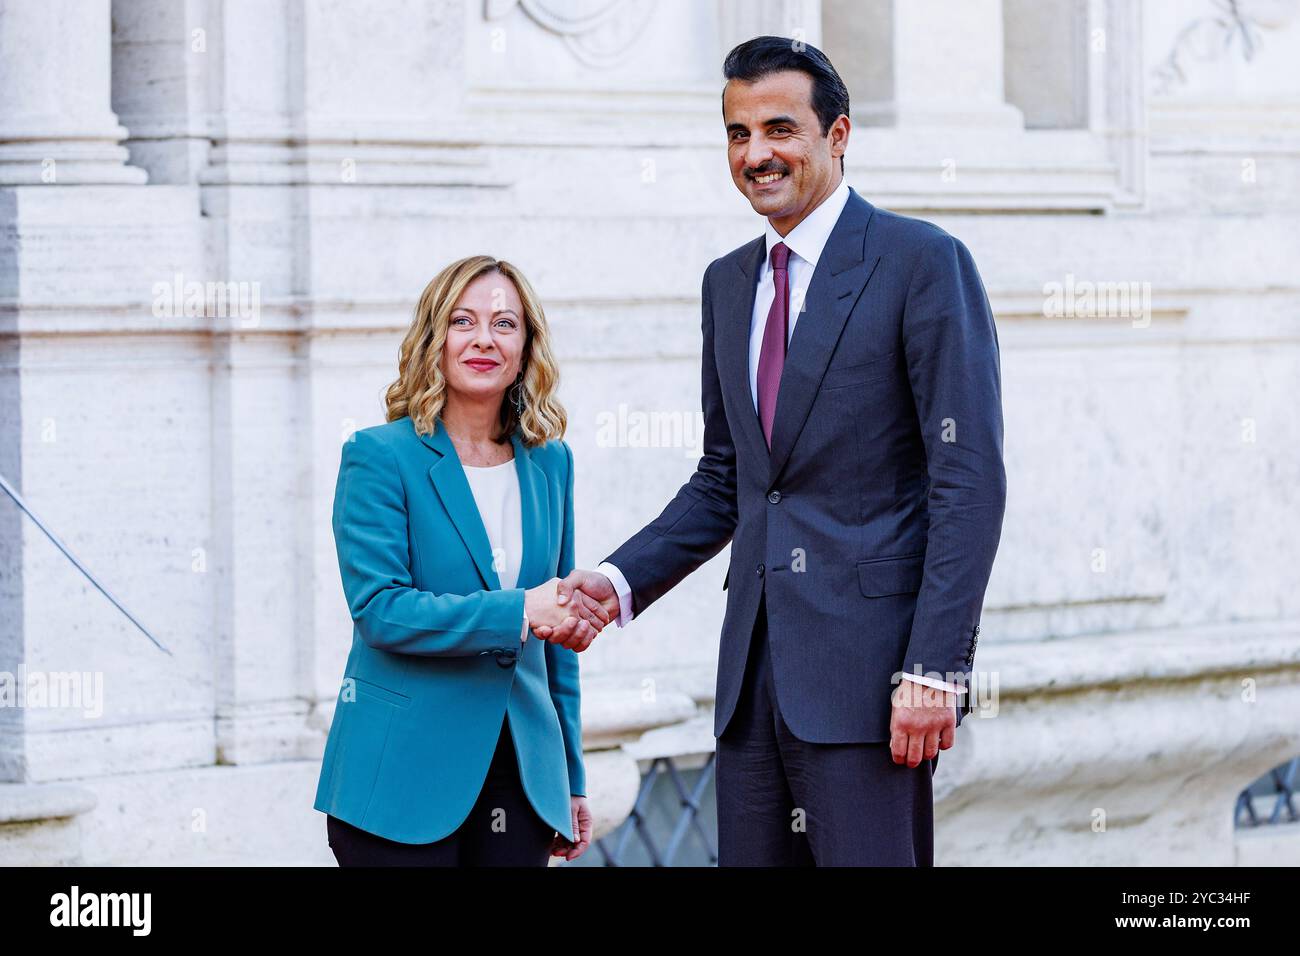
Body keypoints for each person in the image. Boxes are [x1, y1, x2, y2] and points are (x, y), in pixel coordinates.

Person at [535, 36, 1007, 866]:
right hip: (752, 684)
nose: (757, 155)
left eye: (780, 129)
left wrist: (935, 668)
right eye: (738, 134)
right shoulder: (727, 282)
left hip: (873, 686)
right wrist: (615, 583)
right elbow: (730, 477)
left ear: (838, 134)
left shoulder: (921, 262)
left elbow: (966, 481)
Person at [314, 254, 611, 866]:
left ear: (527, 347)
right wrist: (519, 609)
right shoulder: (379, 456)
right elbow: (381, 611)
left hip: (521, 777)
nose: (483, 339)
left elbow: (557, 640)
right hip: (401, 777)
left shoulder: (551, 463)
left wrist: (571, 776)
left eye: (505, 324)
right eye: (462, 321)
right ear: (435, 338)